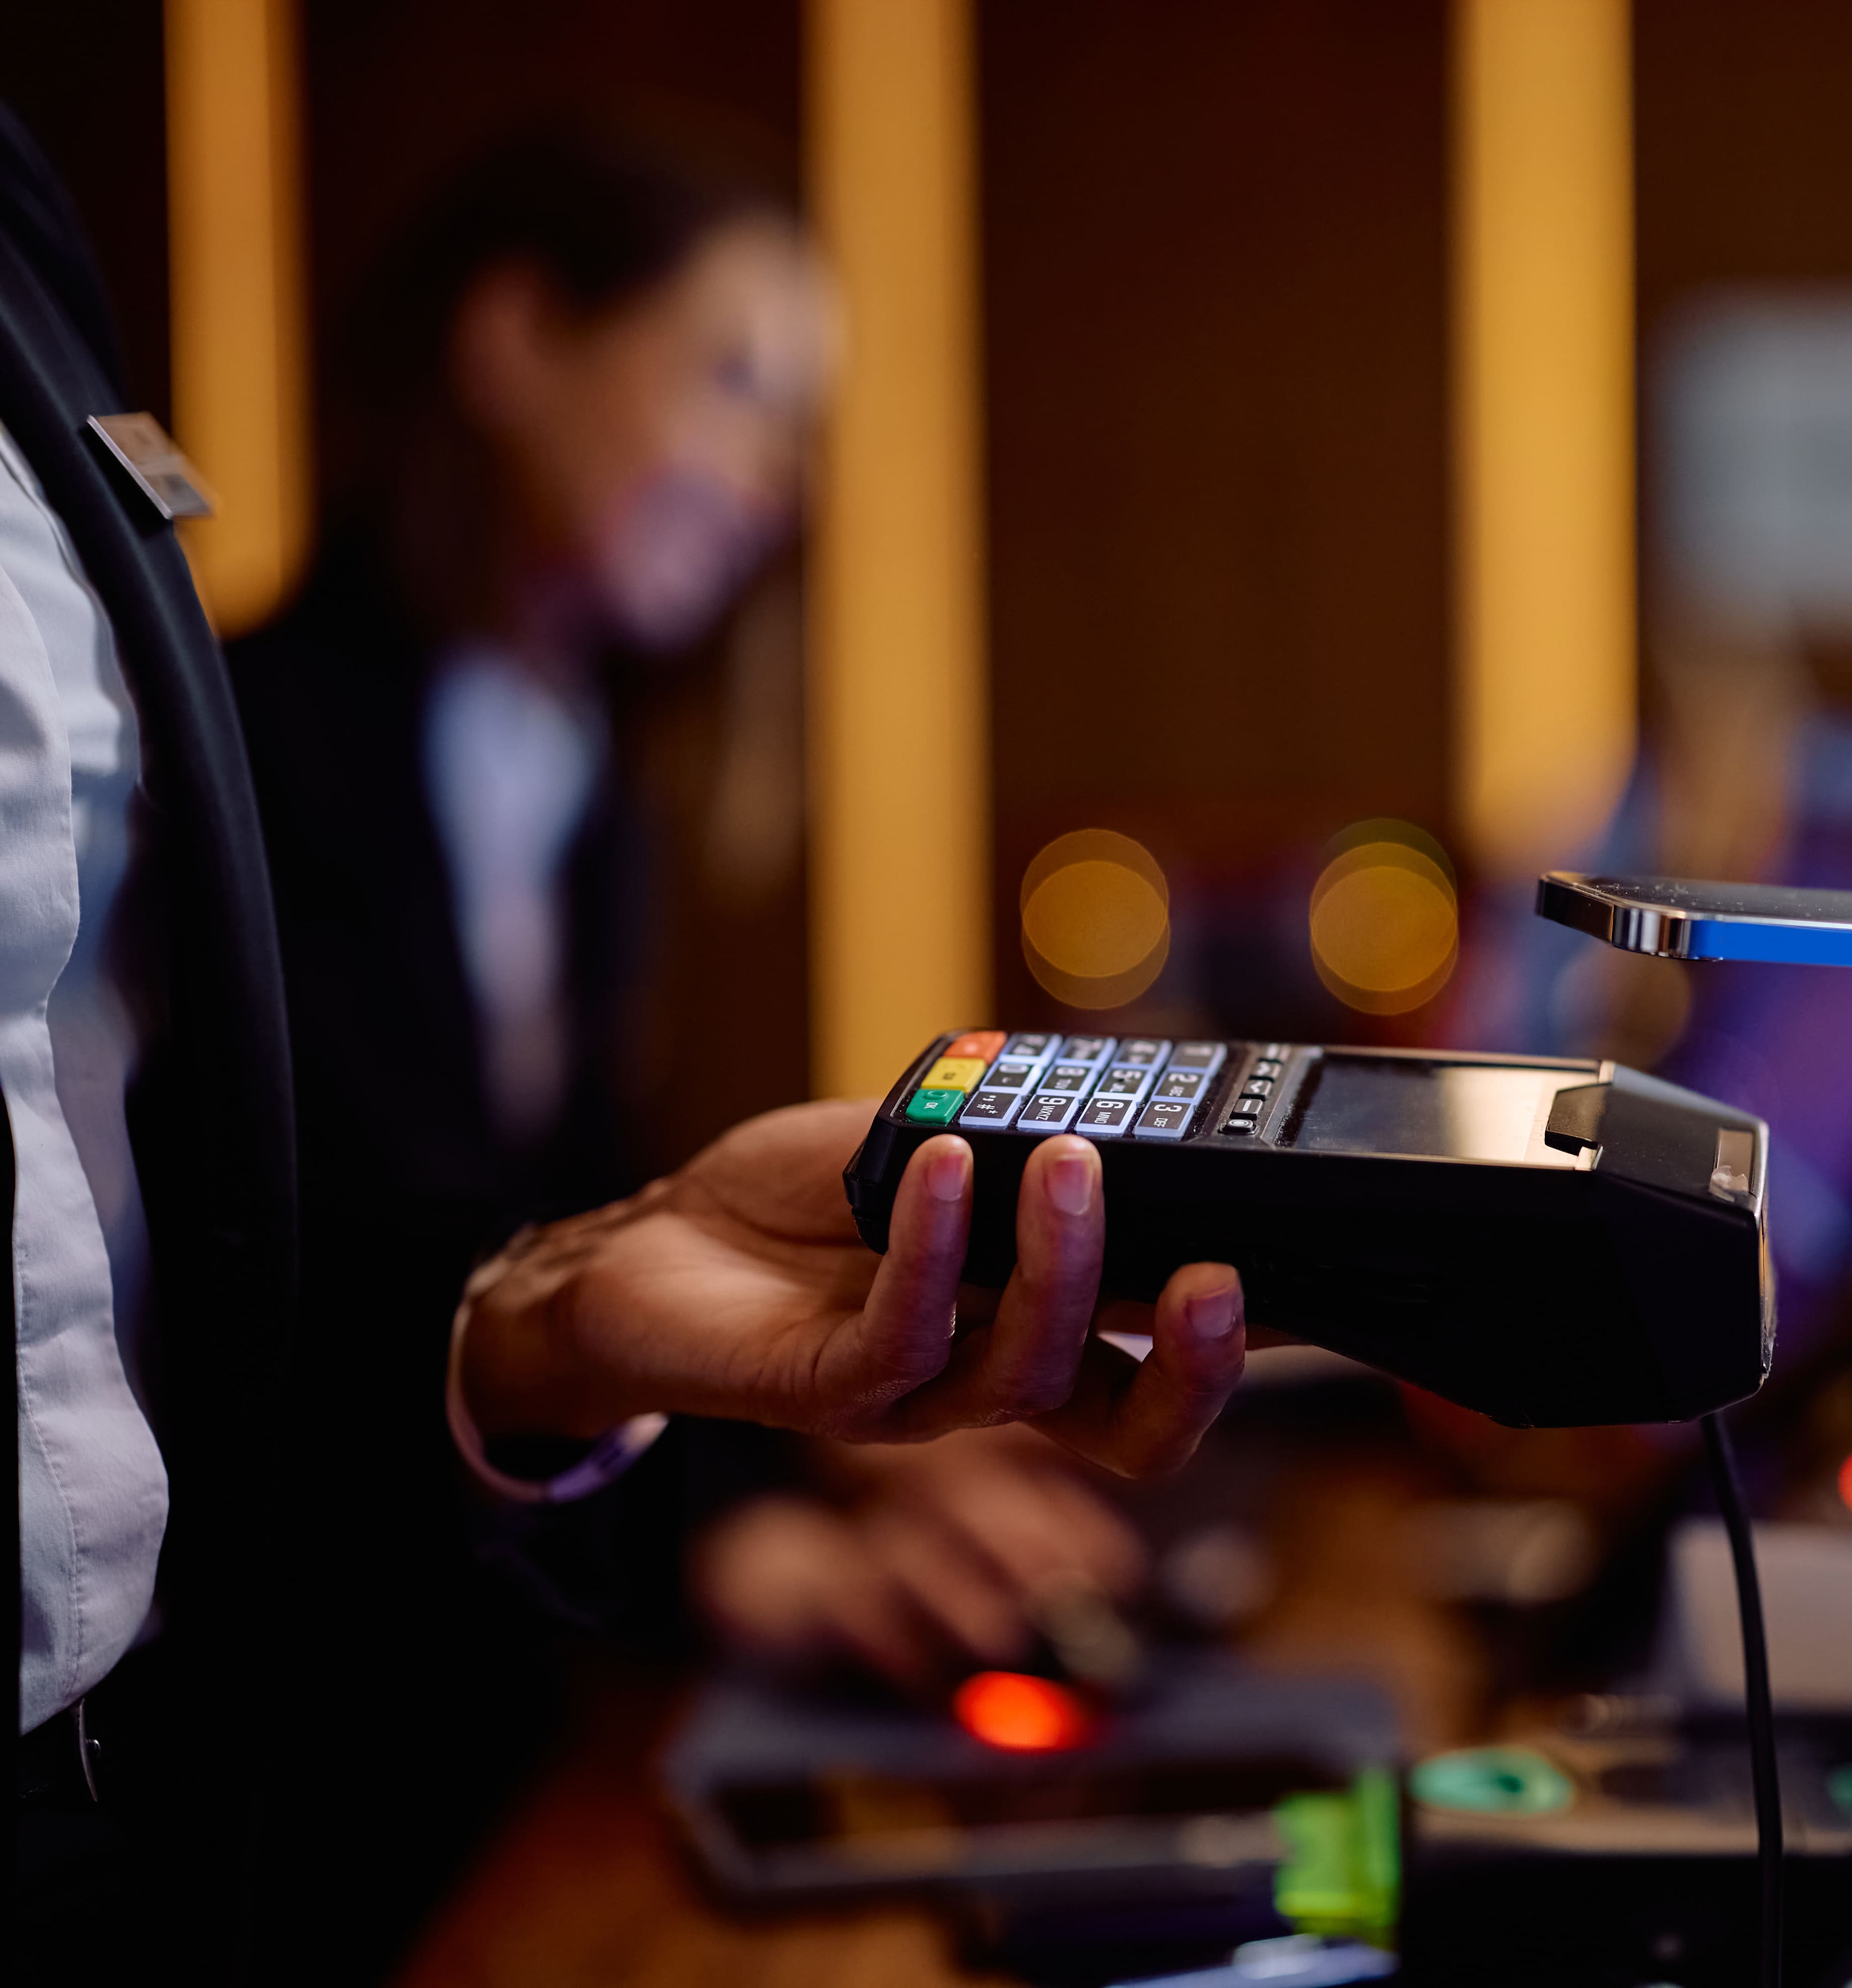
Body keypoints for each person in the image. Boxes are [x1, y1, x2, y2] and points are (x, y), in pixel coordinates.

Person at [3, 108, 1241, 1979]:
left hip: (489, 1630)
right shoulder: (256, 739)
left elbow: (564, 1222)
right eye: (734, 383)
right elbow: (313, 1276)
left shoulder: (588, 783)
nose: (775, 481)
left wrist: (844, 1458)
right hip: (304, 1709)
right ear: (515, 341)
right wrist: (729, 1547)